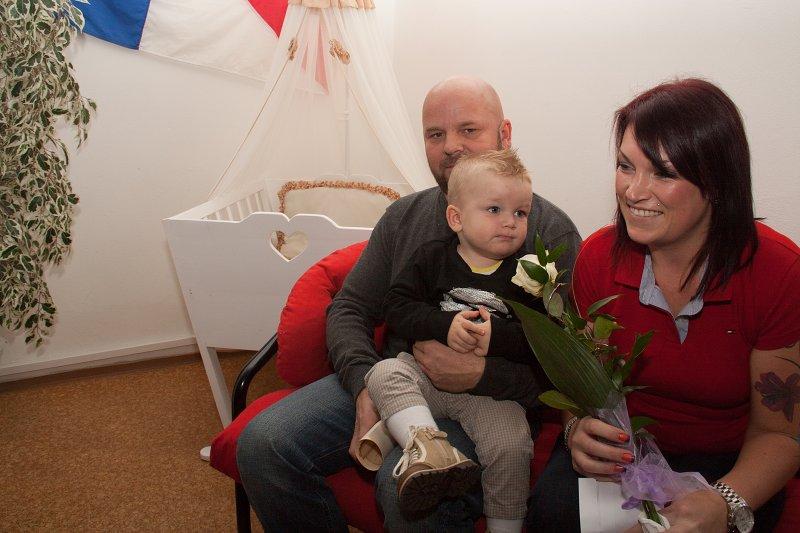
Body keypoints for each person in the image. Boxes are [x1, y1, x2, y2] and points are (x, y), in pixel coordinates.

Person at [236, 76, 582, 531]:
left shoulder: (549, 233)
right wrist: (364, 384)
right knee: (264, 444)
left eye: (469, 129)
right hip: (398, 378)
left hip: (492, 404)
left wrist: (482, 374)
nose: (451, 146)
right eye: (435, 134)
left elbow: (568, 365)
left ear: (505, 134)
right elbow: (350, 307)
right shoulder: (404, 217)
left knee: (408, 491)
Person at [528, 78, 800, 533]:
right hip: (624, 453)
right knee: (551, 513)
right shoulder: (598, 258)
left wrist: (724, 503)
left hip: (729, 464)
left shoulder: (779, 272)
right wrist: (576, 429)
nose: (633, 191)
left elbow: (779, 431)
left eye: (663, 173)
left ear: (717, 181)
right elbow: (583, 386)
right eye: (625, 166)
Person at [365, 149, 547, 533]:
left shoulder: (529, 275)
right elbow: (396, 306)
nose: (510, 222)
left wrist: (496, 337)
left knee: (512, 446)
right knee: (384, 373)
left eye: (521, 213)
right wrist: (443, 325)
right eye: (494, 209)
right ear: (456, 218)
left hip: (491, 397)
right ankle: (427, 447)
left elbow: (543, 344)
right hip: (427, 378)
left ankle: (505, 525)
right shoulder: (432, 258)